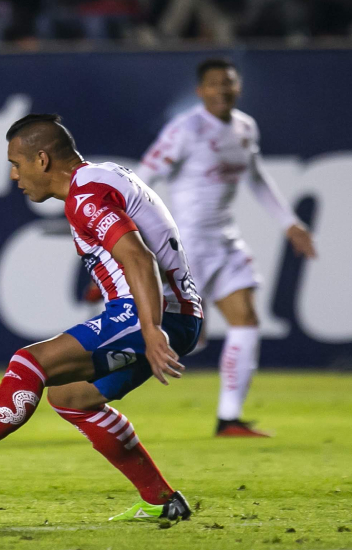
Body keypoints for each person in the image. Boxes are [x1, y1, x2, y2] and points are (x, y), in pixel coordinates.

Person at [0, 114, 202, 522]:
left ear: (42, 160)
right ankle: (161, 500)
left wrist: (150, 330)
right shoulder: (104, 176)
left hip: (150, 314)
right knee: (71, 398)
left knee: (29, 363)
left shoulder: (85, 196)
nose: (14, 175)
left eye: (16, 163)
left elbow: (138, 255)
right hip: (181, 315)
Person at [136, 58, 316, 437]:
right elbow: (143, 179)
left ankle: (229, 419)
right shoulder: (185, 129)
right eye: (214, 84)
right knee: (183, 339)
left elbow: (257, 178)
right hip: (187, 246)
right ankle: (90, 384)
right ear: (201, 91)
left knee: (246, 321)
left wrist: (290, 223)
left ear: (239, 87)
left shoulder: (245, 127)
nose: (222, 90)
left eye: (229, 83)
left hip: (225, 241)